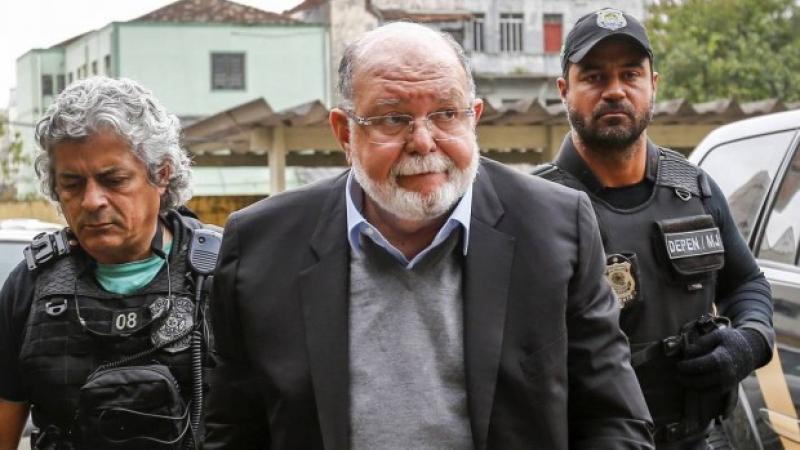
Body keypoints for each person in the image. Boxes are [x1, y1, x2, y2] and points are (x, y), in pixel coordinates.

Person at [205, 22, 654, 450]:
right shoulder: (260, 247)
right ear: (344, 132)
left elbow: (613, 417)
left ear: (474, 118)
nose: (423, 141)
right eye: (392, 118)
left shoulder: (556, 228)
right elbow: (235, 430)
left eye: (446, 114)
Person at [534, 8, 774, 450]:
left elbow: (747, 283)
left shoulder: (695, 189)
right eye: (594, 77)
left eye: (630, 74)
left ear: (653, 85)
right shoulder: (532, 206)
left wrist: (749, 342)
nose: (615, 90)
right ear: (564, 90)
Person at [0, 77, 219, 450]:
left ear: (162, 174)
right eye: (72, 184)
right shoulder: (30, 285)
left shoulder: (222, 271)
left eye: (113, 180)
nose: (91, 201)